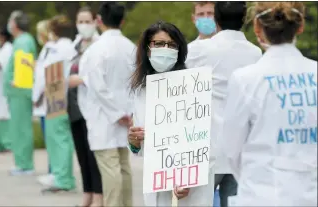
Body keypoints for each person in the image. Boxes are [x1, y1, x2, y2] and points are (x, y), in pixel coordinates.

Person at [218, 2, 317, 206]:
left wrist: (256, 177)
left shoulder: (245, 79)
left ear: (256, 26)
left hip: (260, 195)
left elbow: (231, 149)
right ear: (300, 27)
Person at [128, 20, 215, 206]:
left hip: (189, 185)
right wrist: (133, 142)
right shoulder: (141, 90)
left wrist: (189, 178)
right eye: (159, 44)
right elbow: (139, 145)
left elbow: (205, 139)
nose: (165, 49)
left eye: (171, 45)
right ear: (147, 48)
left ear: (179, 50)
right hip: (158, 180)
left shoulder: (195, 86)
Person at [186, 2, 263, 207]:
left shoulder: (198, 50)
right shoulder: (255, 53)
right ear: (245, 19)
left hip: (207, 146)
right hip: (241, 148)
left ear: (216, 20)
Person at [78, 2, 135, 206]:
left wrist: (117, 114)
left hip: (105, 118)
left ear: (99, 20)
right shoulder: (131, 48)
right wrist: (127, 113)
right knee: (124, 166)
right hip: (127, 117)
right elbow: (136, 83)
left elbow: (97, 87)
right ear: (123, 21)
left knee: (111, 169)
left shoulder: (95, 50)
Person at [37, 14, 77, 193]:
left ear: (53, 31)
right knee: (60, 138)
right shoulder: (70, 47)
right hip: (62, 94)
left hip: (56, 95)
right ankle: (62, 176)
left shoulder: (56, 49)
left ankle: (63, 178)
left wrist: (37, 95)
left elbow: (45, 74)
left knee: (58, 138)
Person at [68, 6, 102, 207]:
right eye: (80, 21)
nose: (84, 26)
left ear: (95, 22)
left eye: (87, 21)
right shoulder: (74, 46)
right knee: (81, 153)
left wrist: (81, 80)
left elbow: (101, 75)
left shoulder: (100, 45)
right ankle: (87, 194)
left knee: (93, 154)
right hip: (74, 106)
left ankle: (99, 196)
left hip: (92, 106)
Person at [4, 10, 37, 175]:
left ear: (15, 24)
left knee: (21, 128)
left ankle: (25, 164)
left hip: (20, 91)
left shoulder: (23, 41)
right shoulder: (21, 40)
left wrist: (16, 82)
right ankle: (21, 163)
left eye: (10, 20)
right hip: (17, 92)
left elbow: (23, 66)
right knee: (18, 127)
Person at [33, 19, 56, 186]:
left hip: (46, 101)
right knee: (49, 139)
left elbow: (43, 78)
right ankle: (51, 170)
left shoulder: (51, 50)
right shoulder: (46, 51)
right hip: (45, 101)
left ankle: (54, 171)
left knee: (52, 139)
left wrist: (36, 97)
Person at [0, 27, 13, 153]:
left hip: (5, 85)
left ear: (3, 37)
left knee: (5, 114)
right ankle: (0, 142)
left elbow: (1, 65)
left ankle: (8, 143)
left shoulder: (8, 49)